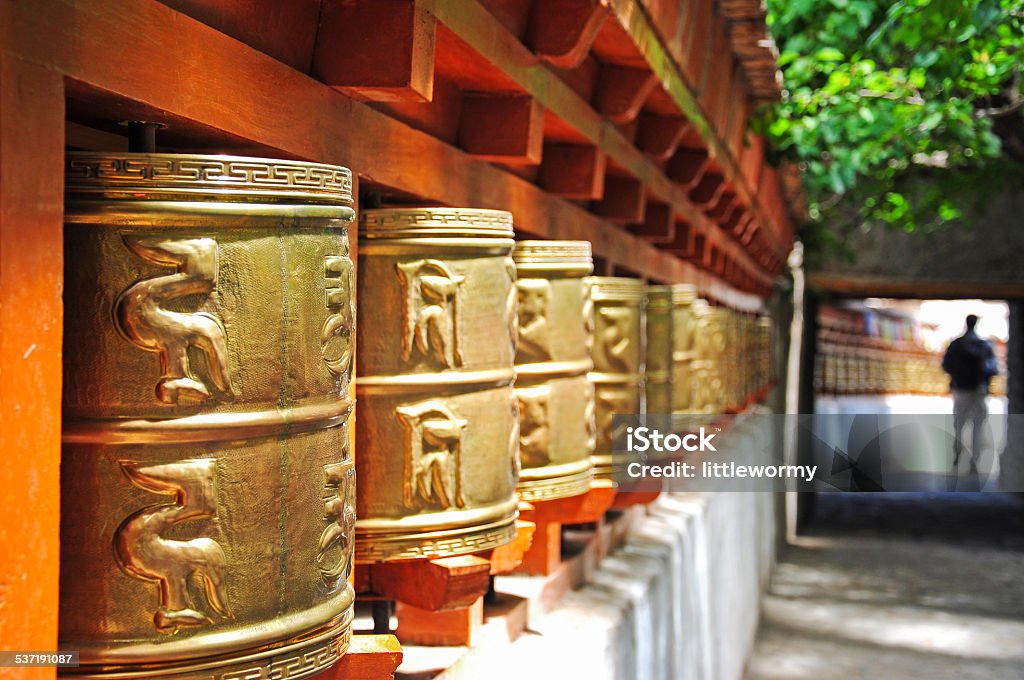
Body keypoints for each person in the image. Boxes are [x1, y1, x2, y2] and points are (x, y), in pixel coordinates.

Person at [941, 314, 999, 472]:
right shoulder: (984, 345)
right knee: (978, 426)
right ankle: (975, 461)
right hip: (979, 390)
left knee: (959, 425)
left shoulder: (957, 344)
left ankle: (957, 458)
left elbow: (946, 365)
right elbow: (993, 369)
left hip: (961, 389)